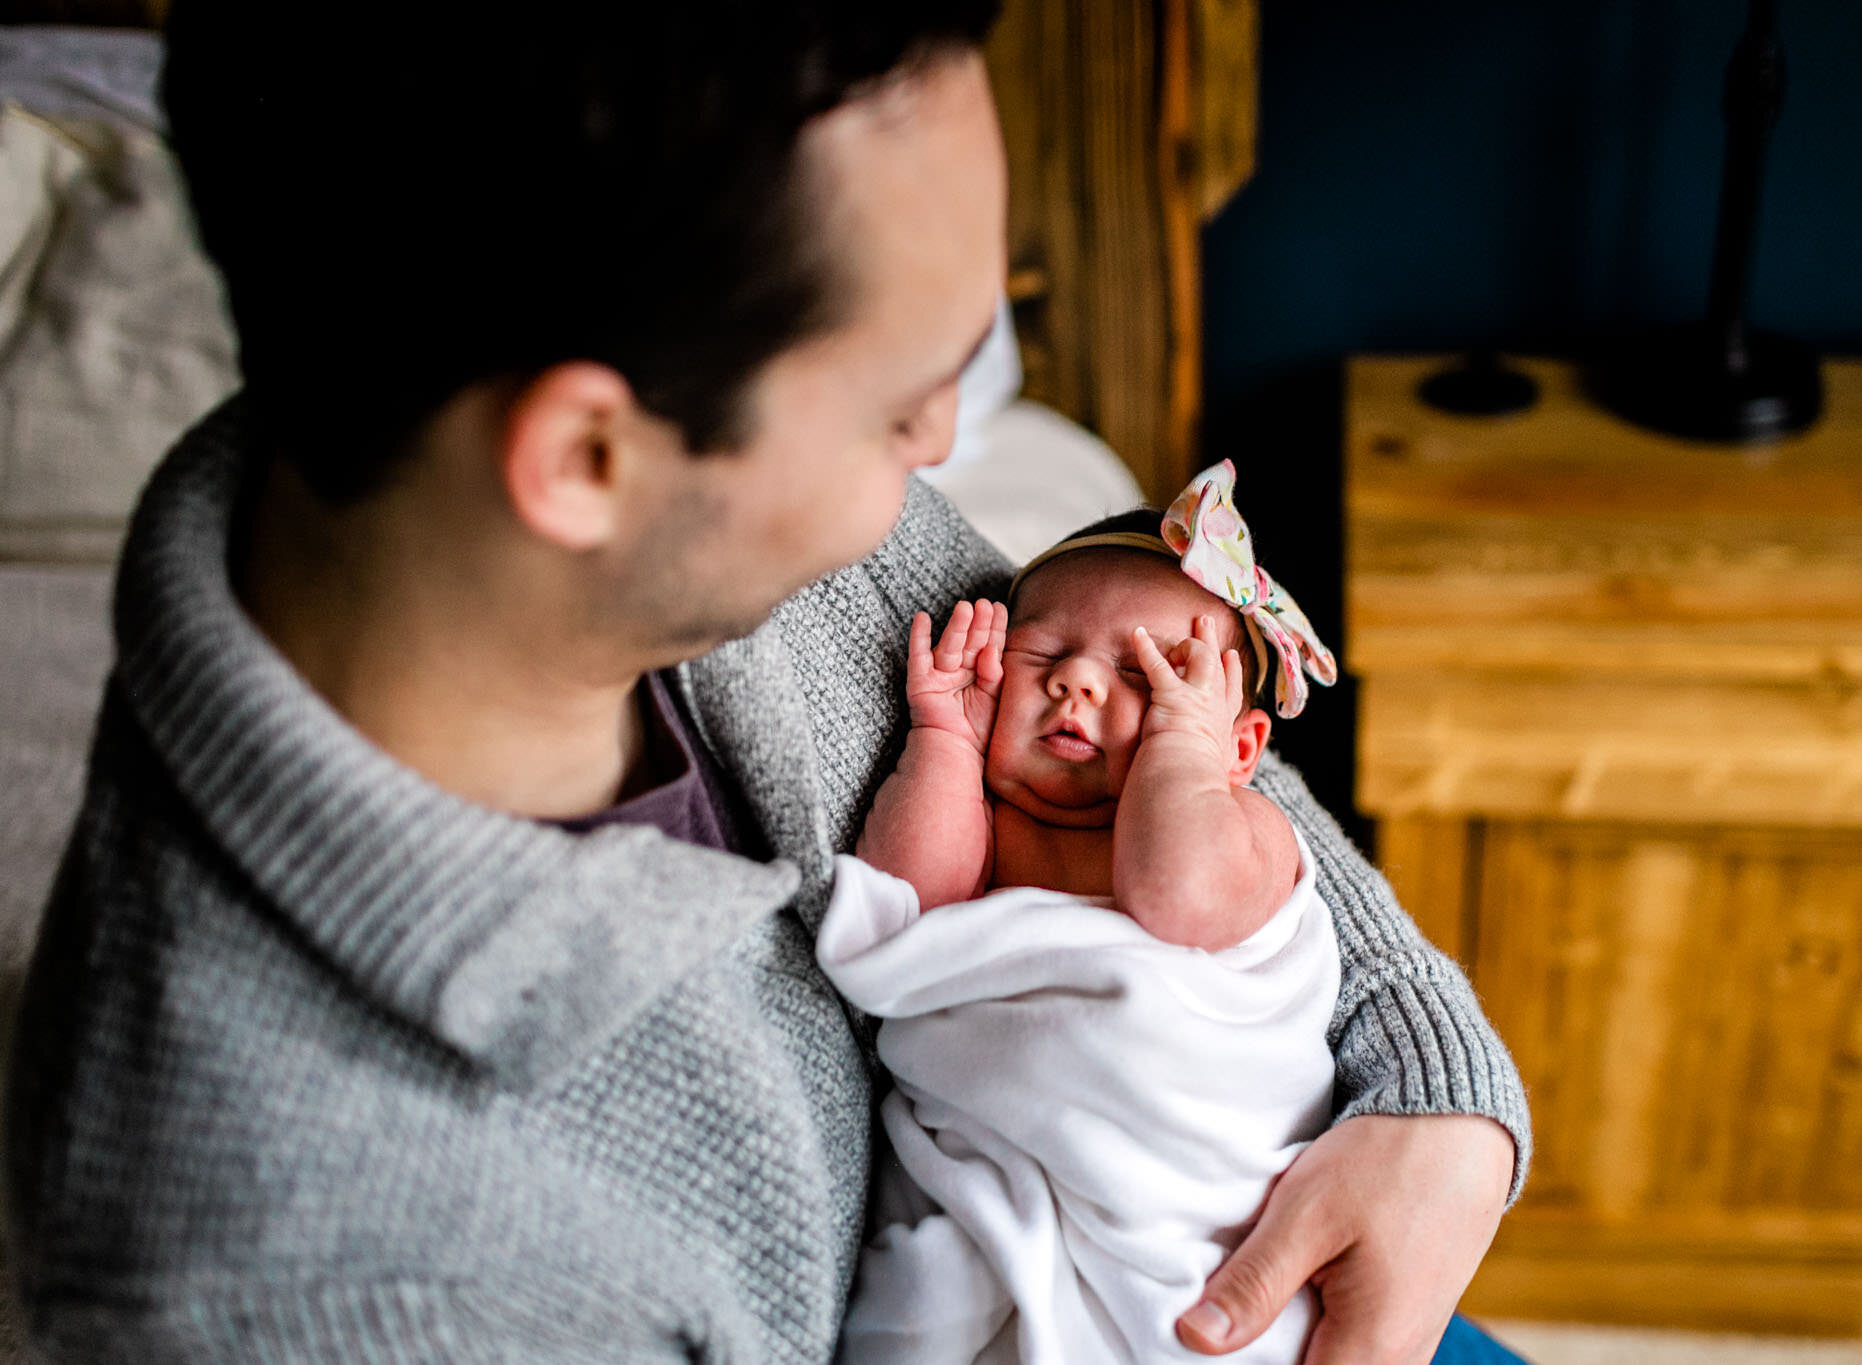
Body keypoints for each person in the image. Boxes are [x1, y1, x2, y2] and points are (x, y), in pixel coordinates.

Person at [5, 3, 1530, 1362]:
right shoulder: (346, 1281)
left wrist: (1434, 1091)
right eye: (896, 401)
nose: (942, 449)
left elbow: (1174, 743)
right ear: (589, 460)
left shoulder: (735, 539)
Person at [818, 469, 1344, 1363]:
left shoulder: (1247, 833)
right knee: (929, 1301)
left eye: (1148, 671)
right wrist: (943, 741)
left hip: (1187, 1228)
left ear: (1240, 748)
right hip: (997, 1178)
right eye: (1044, 653)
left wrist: (1182, 745)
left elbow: (1175, 897)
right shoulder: (1000, 819)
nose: (1075, 685)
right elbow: (907, 914)